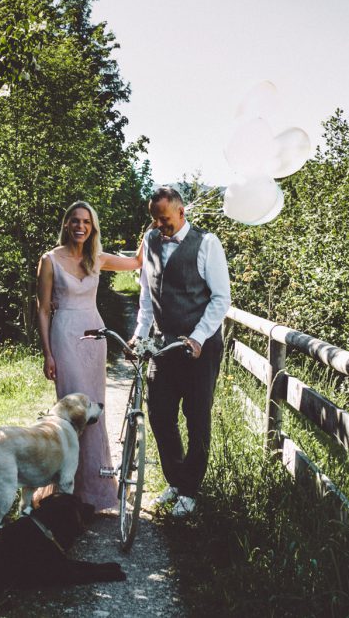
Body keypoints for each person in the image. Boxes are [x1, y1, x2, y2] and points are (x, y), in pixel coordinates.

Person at [35, 201, 143, 512]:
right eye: (75, 221)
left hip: (95, 336)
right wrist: (47, 353)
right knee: (72, 413)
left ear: (92, 227)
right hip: (65, 336)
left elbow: (136, 262)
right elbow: (42, 309)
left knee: (95, 412)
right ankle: (67, 495)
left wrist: (151, 231)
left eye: (86, 222)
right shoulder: (50, 260)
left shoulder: (96, 259)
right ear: (66, 224)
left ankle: (94, 493)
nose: (80, 226)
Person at [131, 186, 231, 518]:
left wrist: (199, 337)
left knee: (197, 417)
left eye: (165, 219)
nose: (160, 226)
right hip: (162, 346)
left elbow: (220, 299)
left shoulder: (208, 244)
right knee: (160, 415)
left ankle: (191, 491)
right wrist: (139, 336)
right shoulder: (150, 241)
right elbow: (148, 297)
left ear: (181, 211)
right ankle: (175, 480)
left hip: (200, 349)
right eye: (155, 220)